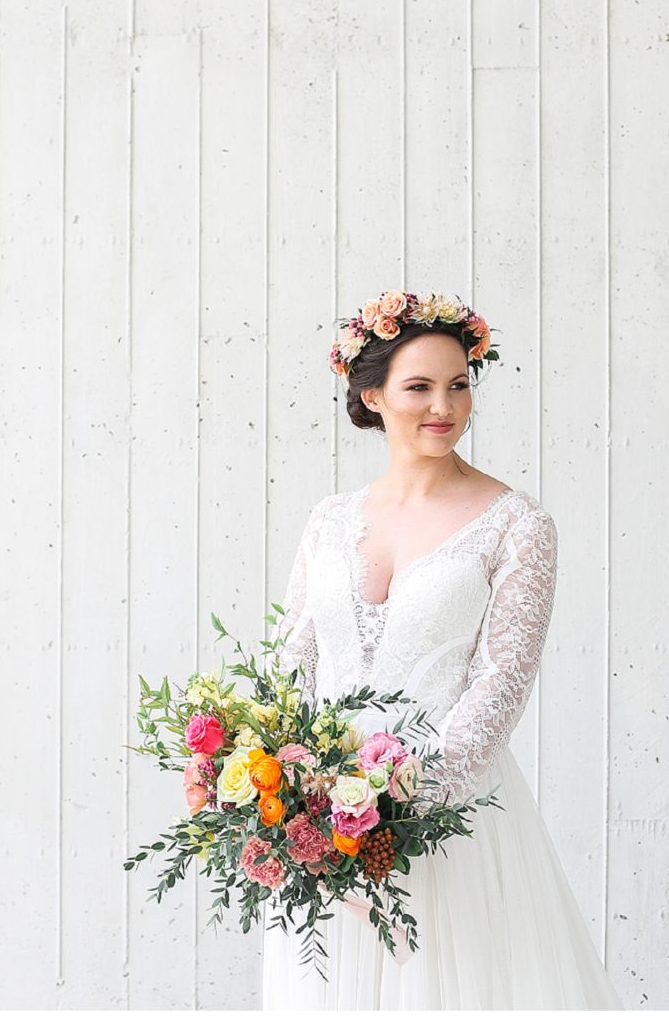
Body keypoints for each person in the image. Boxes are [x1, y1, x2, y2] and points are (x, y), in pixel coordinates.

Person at [260, 291, 622, 1009]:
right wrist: (291, 794)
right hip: (317, 818)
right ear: (372, 394)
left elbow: (501, 683)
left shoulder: (517, 524)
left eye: (459, 384)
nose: (444, 406)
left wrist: (391, 814)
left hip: (440, 817)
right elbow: (288, 659)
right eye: (419, 386)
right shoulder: (329, 520)